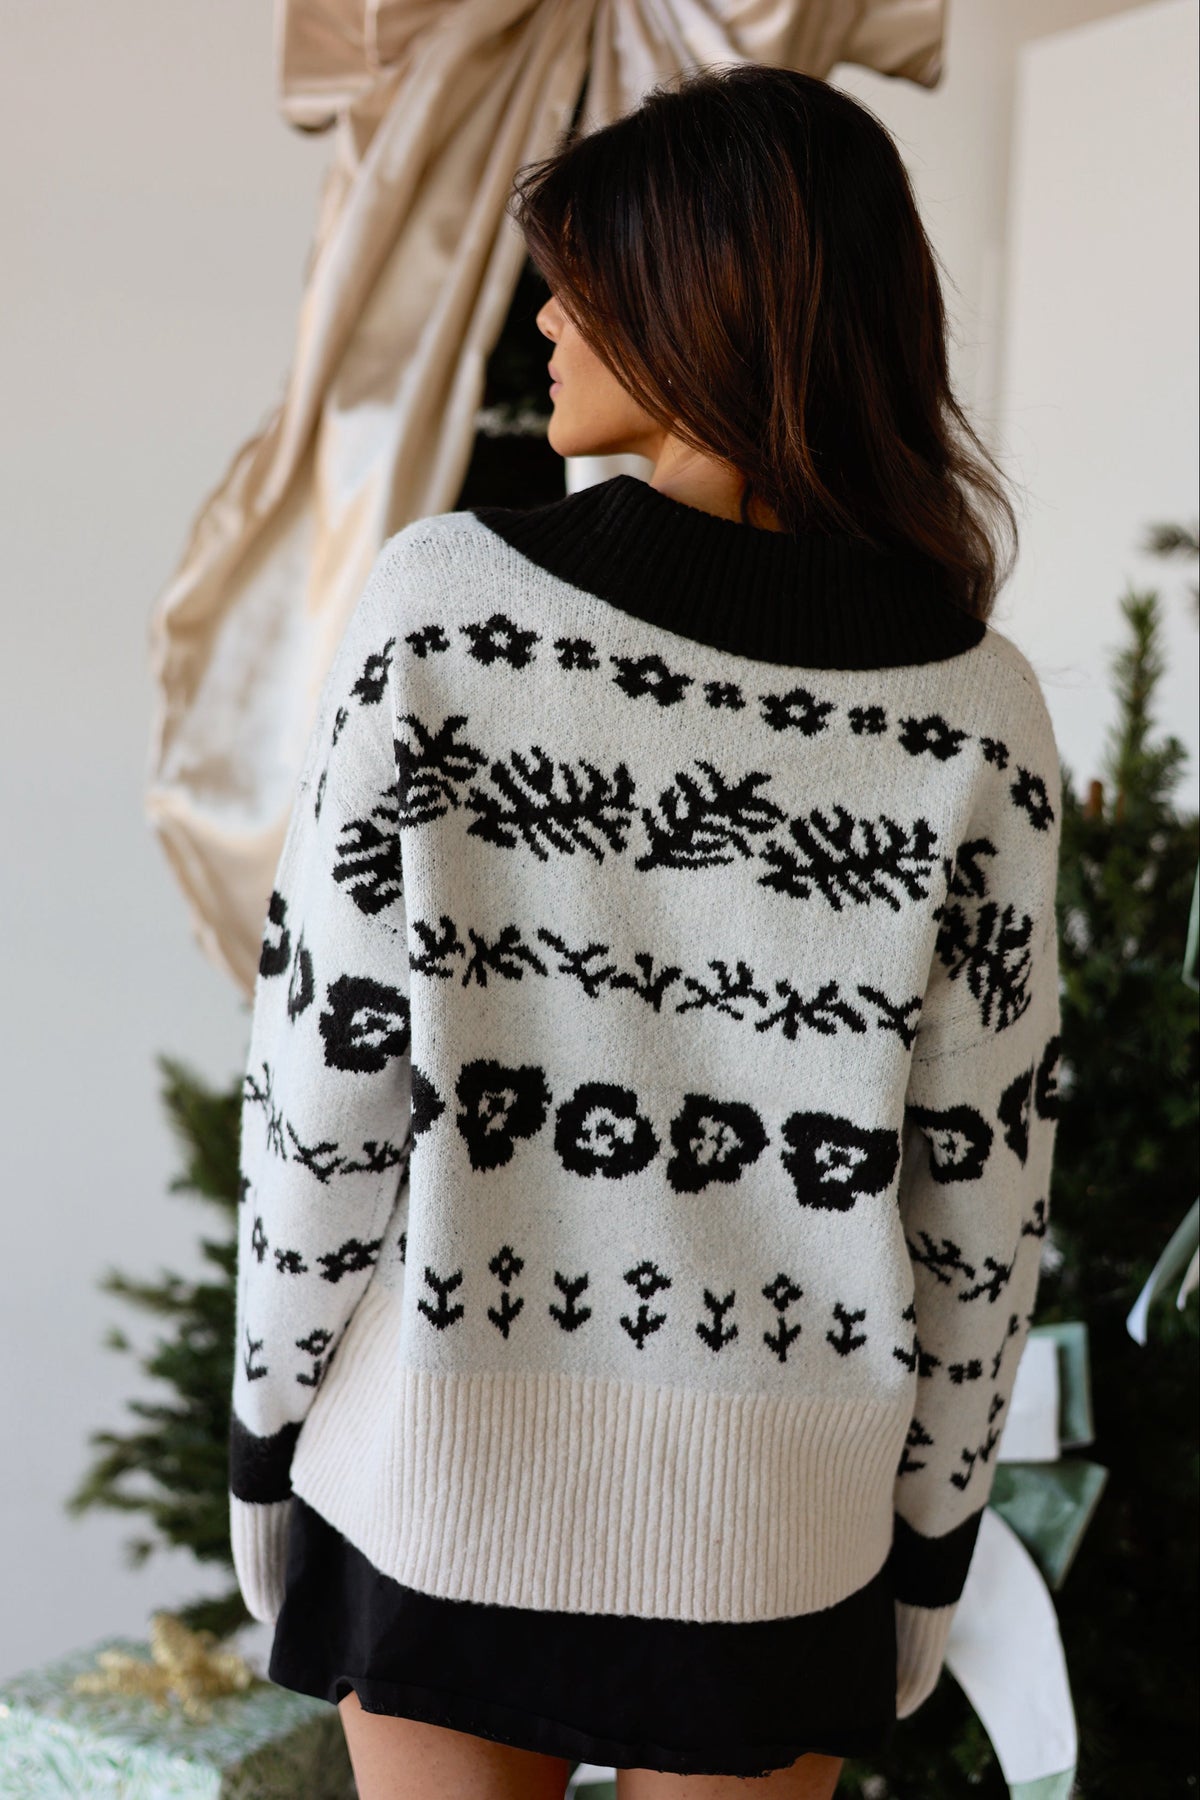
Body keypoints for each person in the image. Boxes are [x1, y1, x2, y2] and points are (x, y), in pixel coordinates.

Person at [229, 64, 1062, 1800]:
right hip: (779, 1538)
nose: (542, 318)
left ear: (705, 301)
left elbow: (325, 1081)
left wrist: (264, 1426)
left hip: (439, 1482)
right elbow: (983, 1189)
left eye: (581, 280)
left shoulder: (448, 612)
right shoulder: (977, 710)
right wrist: (930, 1544)